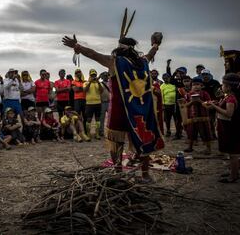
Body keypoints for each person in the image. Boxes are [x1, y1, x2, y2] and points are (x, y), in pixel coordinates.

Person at [62, 13, 164, 180]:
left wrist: (78, 47)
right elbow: (151, 53)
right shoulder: (143, 61)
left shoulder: (114, 62)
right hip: (141, 109)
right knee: (143, 138)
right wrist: (155, 44)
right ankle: (145, 174)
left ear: (119, 48)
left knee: (116, 141)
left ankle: (118, 173)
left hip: (120, 108)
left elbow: (94, 54)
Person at [203, 73, 240, 183]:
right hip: (227, 128)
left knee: (233, 154)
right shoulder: (227, 96)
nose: (221, 86)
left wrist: (214, 106)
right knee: (231, 153)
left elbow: (229, 113)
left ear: (228, 87)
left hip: (231, 129)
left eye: (223, 84)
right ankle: (234, 171)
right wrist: (216, 103)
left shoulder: (231, 98)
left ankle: (233, 176)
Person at [183, 77, 213, 154]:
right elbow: (185, 105)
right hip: (192, 117)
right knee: (191, 132)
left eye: (198, 85)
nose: (196, 86)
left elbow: (209, 105)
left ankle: (208, 148)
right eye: (194, 85)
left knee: (205, 133)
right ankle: (190, 147)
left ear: (202, 86)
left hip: (203, 117)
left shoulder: (205, 94)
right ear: (191, 86)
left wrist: (199, 101)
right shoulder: (188, 94)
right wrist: (192, 102)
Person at [83, 69, 103, 140]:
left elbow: (101, 91)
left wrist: (98, 82)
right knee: (88, 119)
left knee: (98, 120)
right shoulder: (86, 82)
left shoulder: (98, 83)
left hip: (98, 103)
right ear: (89, 75)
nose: (93, 76)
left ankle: (97, 134)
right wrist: (90, 82)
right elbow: (85, 90)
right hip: (89, 104)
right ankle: (88, 134)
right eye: (92, 75)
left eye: (94, 75)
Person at [160, 73, 177, 137]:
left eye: (167, 77)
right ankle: (168, 131)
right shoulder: (162, 86)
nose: (166, 79)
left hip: (174, 104)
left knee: (176, 118)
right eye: (164, 78)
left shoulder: (173, 85)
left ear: (169, 77)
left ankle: (178, 131)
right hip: (166, 105)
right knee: (167, 119)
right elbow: (161, 96)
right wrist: (163, 105)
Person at [99, 71, 110, 137]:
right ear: (102, 77)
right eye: (104, 76)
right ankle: (101, 131)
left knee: (111, 118)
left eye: (107, 75)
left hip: (109, 102)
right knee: (102, 118)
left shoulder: (110, 83)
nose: (106, 77)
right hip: (102, 102)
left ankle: (111, 131)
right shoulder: (100, 84)